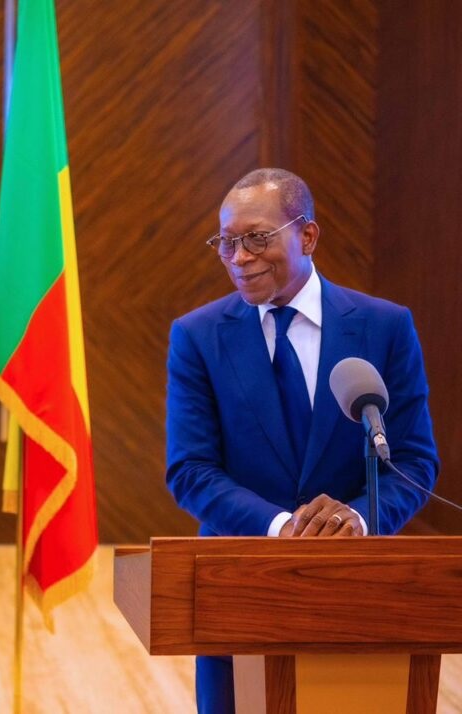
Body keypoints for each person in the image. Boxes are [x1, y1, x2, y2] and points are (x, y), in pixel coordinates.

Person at [165, 168, 439, 713]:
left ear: (307, 236)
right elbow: (190, 469)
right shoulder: (197, 336)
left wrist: (356, 519)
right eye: (226, 242)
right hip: (239, 589)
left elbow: (412, 461)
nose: (239, 257)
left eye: (256, 238)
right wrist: (283, 528)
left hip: (359, 594)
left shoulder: (385, 327)